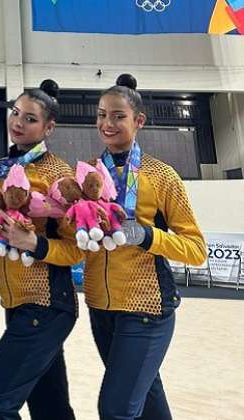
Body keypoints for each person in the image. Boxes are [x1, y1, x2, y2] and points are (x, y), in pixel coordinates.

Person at [84, 74, 206, 420]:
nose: (107, 124)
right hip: (100, 307)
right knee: (147, 399)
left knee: (117, 408)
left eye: (118, 116)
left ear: (138, 121)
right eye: (101, 114)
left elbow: (196, 249)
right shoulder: (89, 175)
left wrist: (148, 236)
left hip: (146, 308)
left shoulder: (162, 176)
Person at [0, 80, 80, 420]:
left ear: (49, 126)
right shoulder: (6, 171)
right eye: (15, 113)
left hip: (47, 303)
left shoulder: (59, 174)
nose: (18, 123)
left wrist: (35, 244)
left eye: (30, 119)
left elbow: (77, 251)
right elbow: (0, 238)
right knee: (51, 408)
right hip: (17, 302)